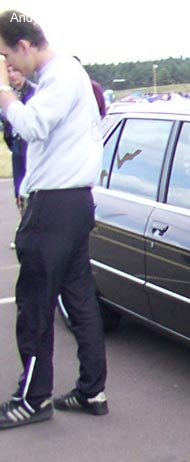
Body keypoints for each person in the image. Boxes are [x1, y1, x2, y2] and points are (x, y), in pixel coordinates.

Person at [0, 10, 108, 429]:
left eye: (8, 55)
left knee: (35, 302)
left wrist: (5, 96)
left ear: (25, 45)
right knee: (79, 299)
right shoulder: (61, 77)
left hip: (54, 206)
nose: (9, 63)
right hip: (73, 203)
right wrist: (20, 89)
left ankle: (33, 399)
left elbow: (32, 125)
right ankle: (91, 389)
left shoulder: (61, 75)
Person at [1, 63, 35, 228]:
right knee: (19, 193)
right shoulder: (9, 95)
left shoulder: (34, 93)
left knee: (33, 193)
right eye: (9, 71)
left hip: (33, 152)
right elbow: (7, 126)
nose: (13, 75)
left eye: (16, 70)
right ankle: (24, 223)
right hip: (18, 151)